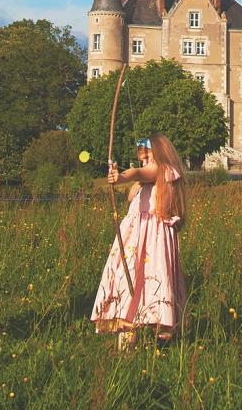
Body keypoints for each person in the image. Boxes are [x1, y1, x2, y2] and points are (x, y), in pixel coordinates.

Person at [91, 134, 187, 350]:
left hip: (153, 245)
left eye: (149, 157)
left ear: (161, 155)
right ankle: (125, 349)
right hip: (135, 244)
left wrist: (126, 175)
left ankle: (164, 342)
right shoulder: (143, 182)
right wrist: (121, 177)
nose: (145, 163)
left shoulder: (164, 171)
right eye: (142, 159)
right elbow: (135, 188)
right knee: (129, 287)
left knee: (155, 285)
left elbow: (143, 172)